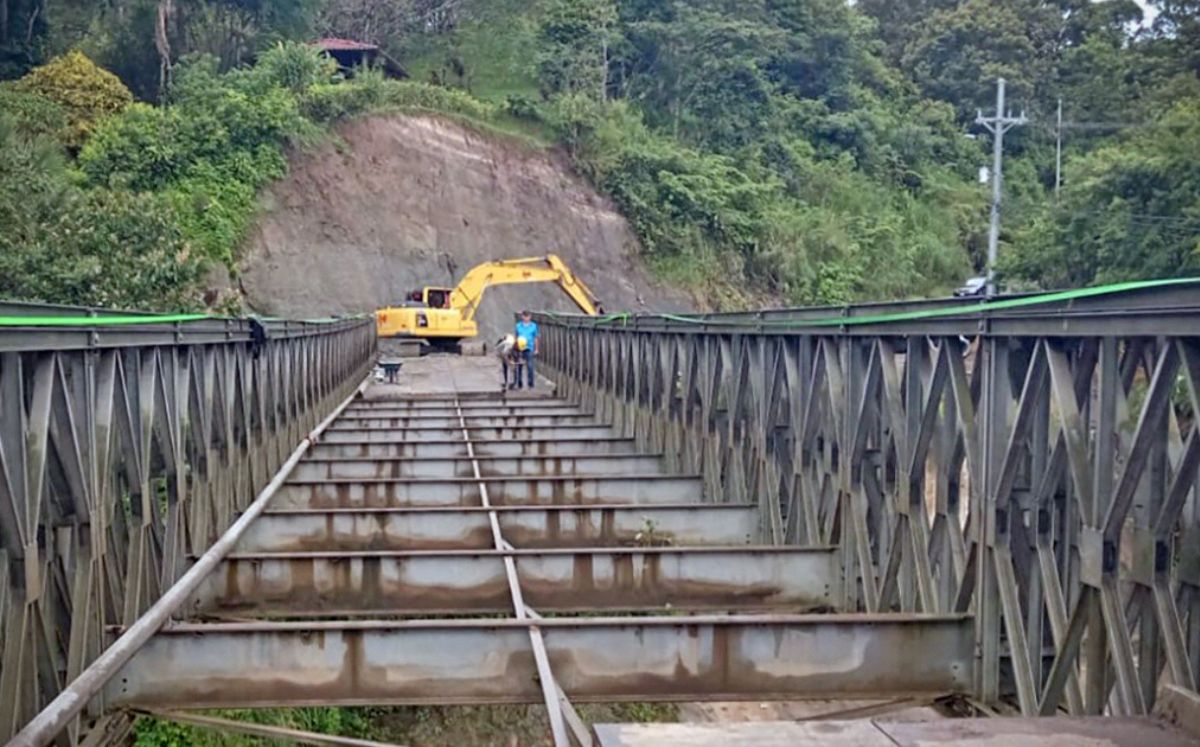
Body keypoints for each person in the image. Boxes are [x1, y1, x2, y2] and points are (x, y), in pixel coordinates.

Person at [514, 310, 539, 389]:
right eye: (525, 316)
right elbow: (516, 337)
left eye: (528, 316)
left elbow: (536, 338)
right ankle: (519, 382)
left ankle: (530, 383)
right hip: (520, 349)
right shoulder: (518, 326)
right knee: (519, 366)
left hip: (529, 347)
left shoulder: (534, 326)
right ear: (522, 317)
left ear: (530, 317)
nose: (526, 318)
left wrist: (536, 349)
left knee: (530, 366)